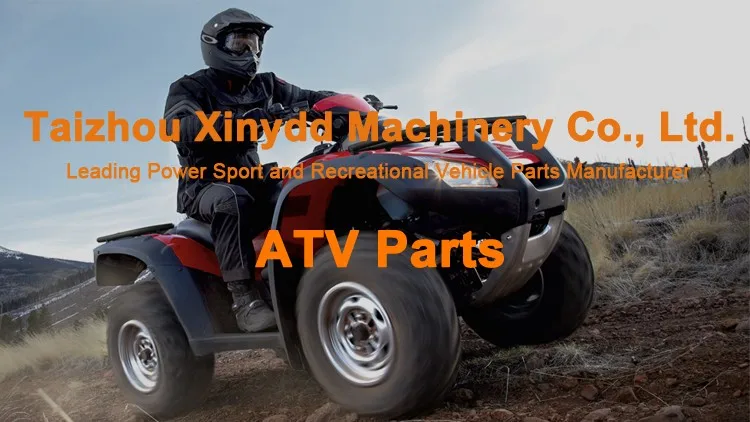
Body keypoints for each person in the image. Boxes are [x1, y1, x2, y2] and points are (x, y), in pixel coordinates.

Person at [163, 8, 337, 333]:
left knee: (303, 184)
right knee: (232, 199)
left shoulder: (265, 85)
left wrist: (345, 105)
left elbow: (309, 98)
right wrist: (238, 122)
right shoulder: (189, 87)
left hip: (252, 179)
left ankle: (311, 273)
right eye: (239, 43)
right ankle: (244, 301)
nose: (249, 51)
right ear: (215, 45)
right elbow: (180, 126)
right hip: (204, 186)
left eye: (254, 44)